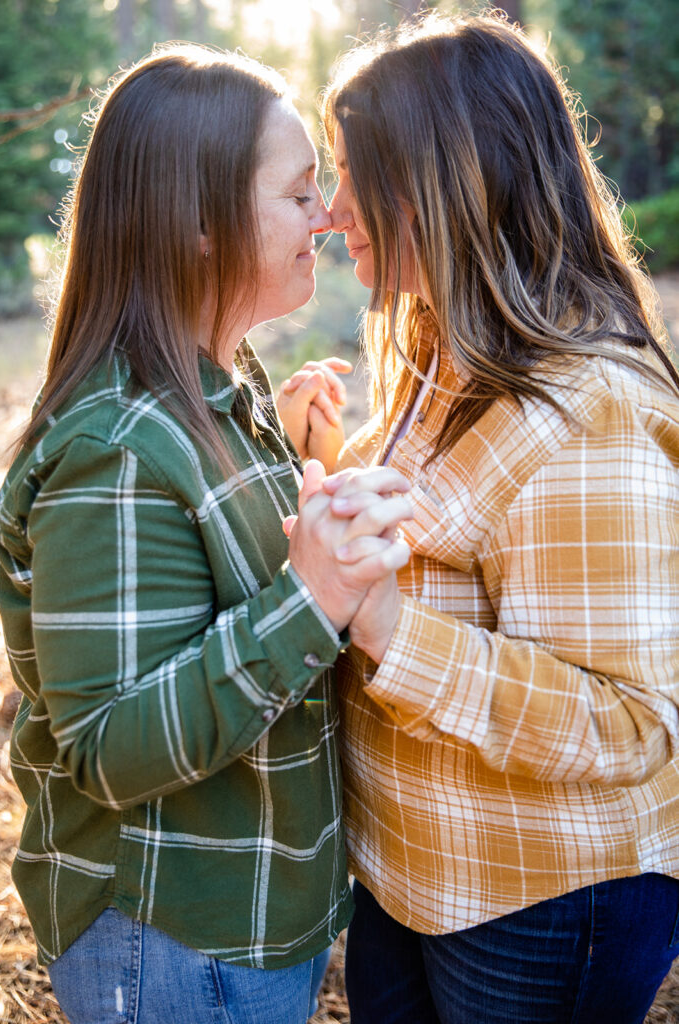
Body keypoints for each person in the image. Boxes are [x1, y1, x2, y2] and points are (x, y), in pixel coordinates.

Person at [0, 44, 413, 1024]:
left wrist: (308, 460)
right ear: (194, 224)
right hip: (172, 934)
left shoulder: (226, 389)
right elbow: (105, 742)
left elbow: (229, 587)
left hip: (250, 917)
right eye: (297, 191)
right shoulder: (119, 448)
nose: (325, 215)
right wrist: (311, 596)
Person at [280, 12, 679, 1023]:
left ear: (442, 182)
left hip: (541, 895)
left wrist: (384, 631)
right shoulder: (441, 346)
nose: (329, 210)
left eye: (350, 173)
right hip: (414, 867)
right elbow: (440, 530)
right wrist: (320, 455)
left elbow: (633, 721)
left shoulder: (592, 409)